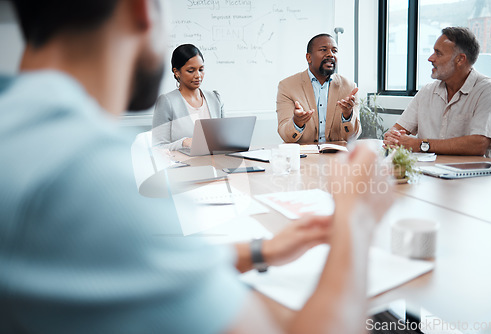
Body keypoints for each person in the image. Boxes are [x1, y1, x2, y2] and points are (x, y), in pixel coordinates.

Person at [1, 1, 394, 333]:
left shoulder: (21, 132)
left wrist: (259, 251)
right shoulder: (90, 180)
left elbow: (138, 260)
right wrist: (354, 223)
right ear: (142, 10)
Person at [383, 27, 491, 156]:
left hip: (470, 174)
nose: (430, 58)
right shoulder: (427, 91)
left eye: (438, 53)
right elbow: (398, 128)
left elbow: (478, 144)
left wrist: (420, 144)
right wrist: (393, 136)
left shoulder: (489, 91)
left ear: (460, 59)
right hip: (427, 171)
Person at [276, 33, 362, 144]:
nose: (330, 54)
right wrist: (297, 122)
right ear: (309, 57)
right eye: (323, 50)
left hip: (336, 157)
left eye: (334, 51)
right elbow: (286, 136)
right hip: (304, 157)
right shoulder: (287, 86)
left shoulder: (350, 87)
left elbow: (353, 137)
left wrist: (347, 115)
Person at [152, 44, 223, 150]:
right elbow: (158, 147)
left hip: (216, 163)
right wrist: (183, 143)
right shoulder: (166, 102)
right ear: (176, 72)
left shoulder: (215, 98)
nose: (198, 75)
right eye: (191, 70)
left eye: (201, 69)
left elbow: (224, 139)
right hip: (185, 165)